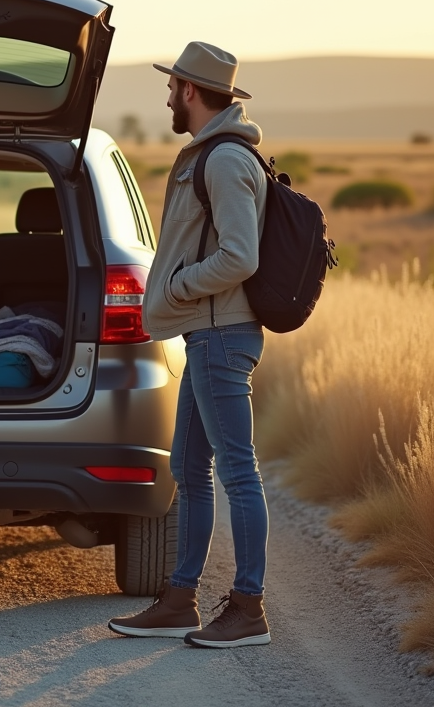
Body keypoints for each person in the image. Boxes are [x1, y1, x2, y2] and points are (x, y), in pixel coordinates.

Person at [108, 42, 272, 648]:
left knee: (237, 472)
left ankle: (249, 608)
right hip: (206, 335)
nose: (168, 95)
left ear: (192, 91)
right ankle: (180, 599)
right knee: (190, 470)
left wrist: (177, 285)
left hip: (222, 335)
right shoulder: (208, 154)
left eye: (174, 85)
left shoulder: (225, 161)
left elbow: (240, 255)